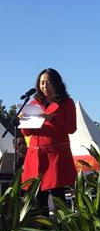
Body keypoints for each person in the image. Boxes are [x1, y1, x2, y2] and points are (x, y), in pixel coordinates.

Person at [20, 68, 77, 214]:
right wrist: (23, 121)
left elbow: (71, 128)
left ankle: (61, 226)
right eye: (42, 83)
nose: (44, 86)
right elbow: (27, 133)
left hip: (56, 155)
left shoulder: (67, 102)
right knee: (39, 197)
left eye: (48, 82)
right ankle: (42, 227)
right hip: (36, 156)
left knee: (58, 196)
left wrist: (52, 118)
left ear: (57, 83)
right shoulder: (33, 103)